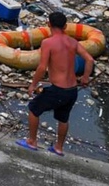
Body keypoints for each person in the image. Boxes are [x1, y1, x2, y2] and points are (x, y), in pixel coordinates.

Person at [16, 12, 94, 156]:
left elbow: (42, 67)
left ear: (49, 24)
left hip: (58, 90)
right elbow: (89, 60)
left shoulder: (48, 43)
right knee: (63, 118)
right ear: (65, 26)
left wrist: (33, 84)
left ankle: (31, 141)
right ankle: (58, 148)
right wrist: (85, 78)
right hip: (72, 91)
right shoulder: (73, 42)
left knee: (33, 109)